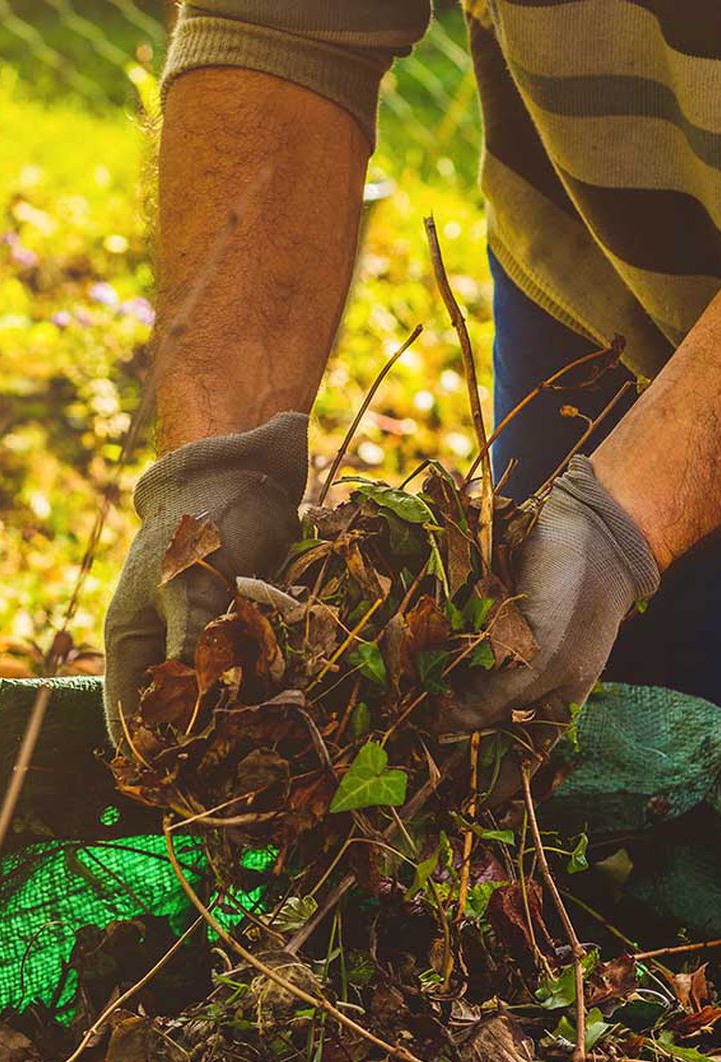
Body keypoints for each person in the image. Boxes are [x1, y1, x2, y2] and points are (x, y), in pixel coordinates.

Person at [103, 1, 721, 748]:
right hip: (593, 270)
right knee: (568, 733)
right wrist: (216, 465)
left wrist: (640, 511)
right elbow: (278, 23)